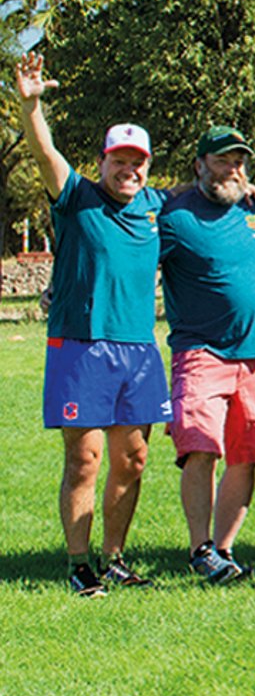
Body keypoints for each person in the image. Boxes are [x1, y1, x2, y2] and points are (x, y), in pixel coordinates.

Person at [17, 53, 169, 595]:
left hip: (139, 348)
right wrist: (32, 106)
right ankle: (79, 564)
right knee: (85, 459)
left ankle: (115, 557)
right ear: (102, 162)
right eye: (119, 161)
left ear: (147, 166)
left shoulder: (156, 206)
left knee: (134, 458)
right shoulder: (76, 196)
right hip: (81, 346)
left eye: (138, 162)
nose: (129, 170)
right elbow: (44, 152)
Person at [157, 125, 255, 583]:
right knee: (200, 447)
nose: (232, 169)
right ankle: (199, 548)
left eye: (238, 161)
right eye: (221, 160)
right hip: (201, 352)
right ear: (200, 165)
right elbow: (132, 256)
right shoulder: (174, 217)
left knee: (247, 452)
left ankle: (224, 549)